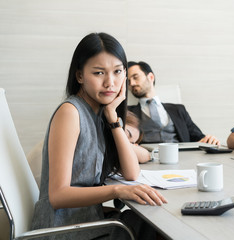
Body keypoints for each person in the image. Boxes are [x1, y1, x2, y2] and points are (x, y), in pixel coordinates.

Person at [31, 32, 167, 240]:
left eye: (118, 72)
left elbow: (131, 173)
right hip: (63, 231)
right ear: (79, 76)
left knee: (151, 221)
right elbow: (58, 195)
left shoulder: (100, 114)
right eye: (99, 73)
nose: (110, 83)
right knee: (152, 227)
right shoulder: (70, 112)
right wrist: (116, 192)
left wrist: (113, 117)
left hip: (85, 224)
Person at [126, 61, 220, 145]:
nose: (132, 83)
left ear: (150, 77)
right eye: (128, 81)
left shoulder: (178, 109)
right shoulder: (128, 112)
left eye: (135, 77)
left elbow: (198, 137)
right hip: (147, 158)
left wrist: (209, 139)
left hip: (180, 156)